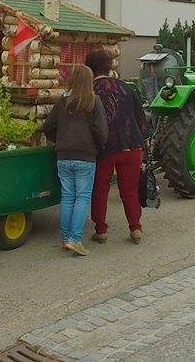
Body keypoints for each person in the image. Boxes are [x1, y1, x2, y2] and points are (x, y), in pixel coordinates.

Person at [41, 65, 107, 256]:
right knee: (82, 198)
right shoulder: (94, 101)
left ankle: (64, 238)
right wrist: (98, 146)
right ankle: (75, 239)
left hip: (63, 155)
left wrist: (60, 140)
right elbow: (101, 131)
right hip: (86, 156)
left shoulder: (62, 101)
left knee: (68, 197)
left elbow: (48, 126)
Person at [85, 49, 148, 244]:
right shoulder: (126, 87)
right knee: (129, 190)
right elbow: (140, 117)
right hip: (131, 145)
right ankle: (135, 228)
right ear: (110, 65)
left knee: (100, 190)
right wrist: (143, 140)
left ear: (90, 67)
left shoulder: (90, 90)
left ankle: (101, 230)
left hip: (104, 148)